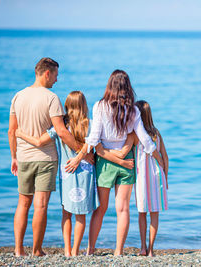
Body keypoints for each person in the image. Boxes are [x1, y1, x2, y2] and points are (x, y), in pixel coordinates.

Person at [15, 91, 130, 256]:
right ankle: (76, 251)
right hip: (86, 175)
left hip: (67, 174)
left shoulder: (61, 126)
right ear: (84, 105)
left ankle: (67, 251)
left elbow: (40, 141)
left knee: (66, 213)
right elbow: (98, 146)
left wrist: (20, 134)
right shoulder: (90, 125)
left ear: (67, 106)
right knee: (81, 215)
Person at [65, 70, 164, 256]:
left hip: (104, 162)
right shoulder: (133, 110)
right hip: (127, 162)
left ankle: (91, 250)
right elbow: (144, 140)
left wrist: (78, 158)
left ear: (110, 85)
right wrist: (160, 162)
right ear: (127, 87)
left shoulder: (99, 106)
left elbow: (94, 139)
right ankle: (118, 252)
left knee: (101, 209)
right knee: (123, 209)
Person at [7, 58, 90, 257]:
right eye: (55, 75)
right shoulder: (51, 98)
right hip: (46, 159)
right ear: (47, 73)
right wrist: (81, 152)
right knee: (41, 205)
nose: (56, 79)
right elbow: (61, 131)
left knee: (22, 203)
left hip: (24, 157)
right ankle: (36, 250)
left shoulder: (18, 96)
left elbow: (11, 131)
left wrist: (14, 157)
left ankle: (18, 250)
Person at [132, 100, 169, 257]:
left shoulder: (134, 135)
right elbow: (165, 157)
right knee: (155, 213)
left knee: (142, 213)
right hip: (157, 177)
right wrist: (166, 177)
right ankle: (151, 250)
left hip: (141, 178)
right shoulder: (156, 133)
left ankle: (142, 247)